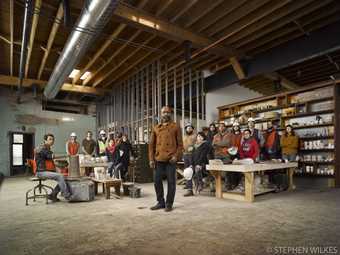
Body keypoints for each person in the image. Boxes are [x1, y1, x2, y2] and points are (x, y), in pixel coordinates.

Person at [149, 106, 183, 212]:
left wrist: (176, 156)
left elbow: (180, 145)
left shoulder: (176, 127)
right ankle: (160, 202)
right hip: (158, 158)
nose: (165, 114)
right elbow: (151, 145)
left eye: (168, 112)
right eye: (164, 112)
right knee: (157, 181)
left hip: (170, 159)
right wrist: (151, 159)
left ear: (170, 114)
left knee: (171, 182)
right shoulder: (156, 128)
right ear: (161, 114)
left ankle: (169, 203)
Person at [35, 134, 72, 202]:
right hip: (41, 172)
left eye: (53, 139)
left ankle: (53, 195)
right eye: (50, 139)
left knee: (64, 177)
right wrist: (67, 155)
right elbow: (52, 157)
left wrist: (64, 166)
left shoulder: (47, 148)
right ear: (45, 140)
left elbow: (53, 161)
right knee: (60, 176)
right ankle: (67, 195)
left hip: (45, 170)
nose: (52, 141)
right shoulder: (42, 148)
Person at [184, 132, 212, 196]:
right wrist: (191, 164)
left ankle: (200, 183)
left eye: (201, 136)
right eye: (198, 136)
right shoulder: (194, 145)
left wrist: (199, 164)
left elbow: (203, 156)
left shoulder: (206, 144)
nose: (199, 138)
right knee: (188, 171)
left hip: (203, 163)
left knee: (197, 169)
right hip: (195, 163)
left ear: (203, 138)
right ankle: (189, 189)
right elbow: (192, 156)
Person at [212, 122, 234, 190]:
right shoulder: (216, 135)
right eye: (219, 127)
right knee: (217, 171)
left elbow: (227, 143)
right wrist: (221, 144)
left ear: (225, 127)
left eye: (222, 126)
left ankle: (228, 185)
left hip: (226, 154)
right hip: (217, 155)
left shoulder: (229, 135)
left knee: (227, 170)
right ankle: (219, 186)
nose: (221, 128)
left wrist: (217, 144)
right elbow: (213, 144)